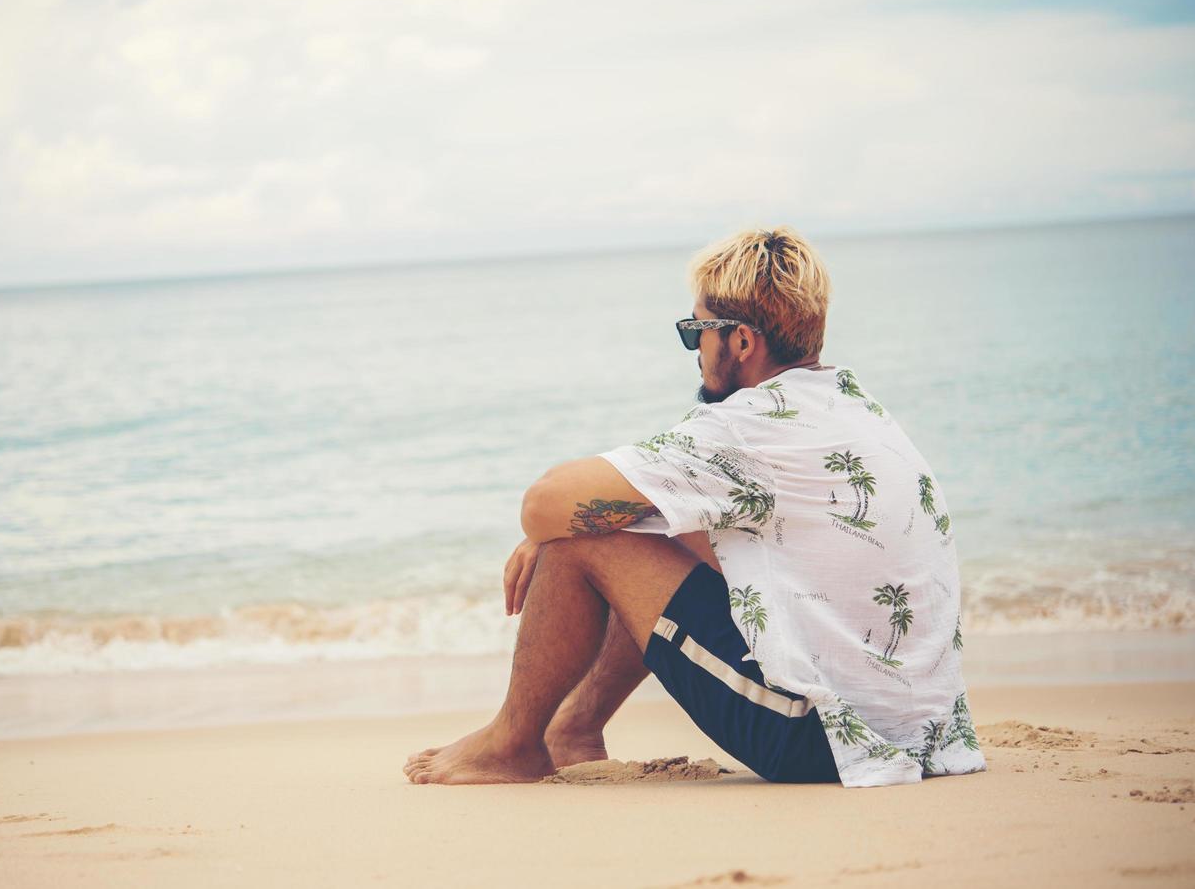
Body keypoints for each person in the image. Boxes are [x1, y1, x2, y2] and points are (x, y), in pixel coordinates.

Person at [403, 226, 985, 788]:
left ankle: (513, 742)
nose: (695, 349)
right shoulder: (854, 406)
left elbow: (544, 503)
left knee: (579, 540)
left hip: (825, 738)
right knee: (663, 526)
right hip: (922, 731)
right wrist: (613, 513)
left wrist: (559, 531)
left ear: (741, 341)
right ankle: (573, 728)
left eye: (695, 332)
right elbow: (674, 522)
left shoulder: (750, 430)